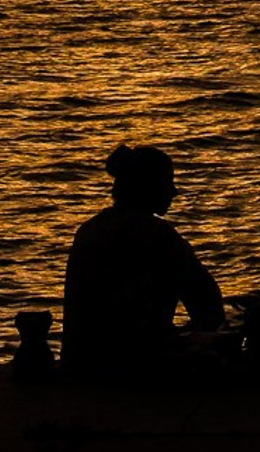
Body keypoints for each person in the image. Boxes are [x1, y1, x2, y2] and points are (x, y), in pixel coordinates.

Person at [61, 143, 224, 375]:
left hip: (83, 363)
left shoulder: (89, 230)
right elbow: (207, 304)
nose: (174, 192)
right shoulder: (159, 235)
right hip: (135, 366)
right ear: (150, 187)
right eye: (168, 183)